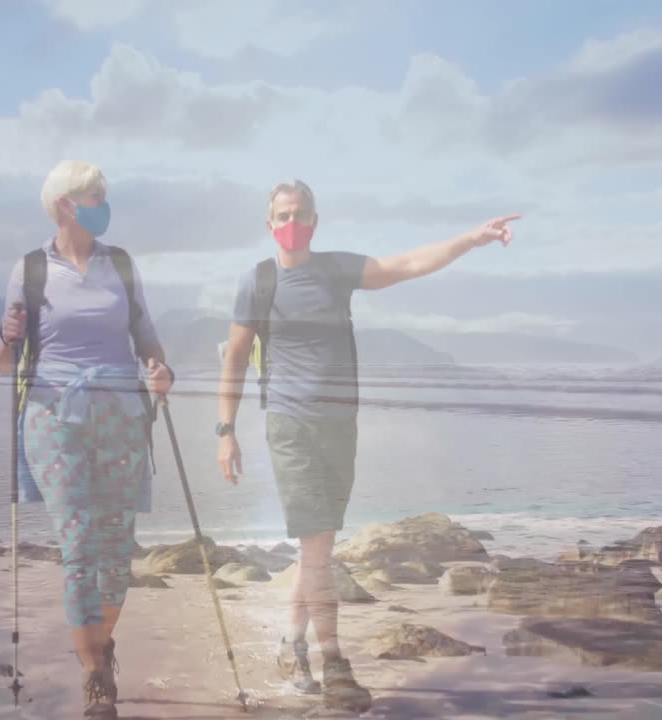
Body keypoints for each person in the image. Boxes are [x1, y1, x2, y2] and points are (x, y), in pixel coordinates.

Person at [215, 179, 518, 712]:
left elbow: (407, 264)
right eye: (283, 215)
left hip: (340, 427)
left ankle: (291, 644)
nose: (292, 223)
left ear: (314, 221)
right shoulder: (258, 281)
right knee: (317, 551)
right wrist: (226, 431)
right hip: (291, 427)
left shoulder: (335, 271)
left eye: (300, 214)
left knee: (317, 549)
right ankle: (334, 663)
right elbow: (236, 357)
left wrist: (472, 239)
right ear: (270, 224)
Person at [0, 160, 174, 720]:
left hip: (122, 416)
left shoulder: (120, 264)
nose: (104, 204)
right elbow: (3, 363)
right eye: (95, 196)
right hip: (54, 418)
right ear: (65, 206)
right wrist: (7, 337)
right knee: (77, 549)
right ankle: (95, 675)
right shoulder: (31, 269)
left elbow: (146, 337)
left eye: (103, 195)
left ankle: (102, 644)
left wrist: (159, 368)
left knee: (117, 555)